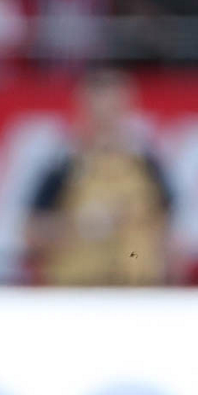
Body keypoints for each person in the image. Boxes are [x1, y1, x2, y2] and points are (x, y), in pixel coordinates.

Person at [25, 67, 173, 286]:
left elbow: (169, 231)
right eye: (98, 110)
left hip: (137, 291)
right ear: (83, 110)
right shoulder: (63, 165)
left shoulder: (147, 165)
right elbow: (32, 233)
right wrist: (80, 225)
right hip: (79, 290)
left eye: (113, 109)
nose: (106, 119)